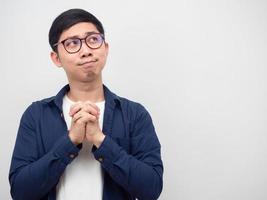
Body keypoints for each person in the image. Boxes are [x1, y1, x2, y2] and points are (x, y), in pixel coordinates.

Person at [9, 8, 163, 200]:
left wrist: (100, 139)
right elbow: (20, 192)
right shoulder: (36, 115)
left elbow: (151, 189)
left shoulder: (134, 114)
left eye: (93, 40)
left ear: (105, 48)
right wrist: (70, 141)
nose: (86, 50)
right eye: (72, 43)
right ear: (56, 58)